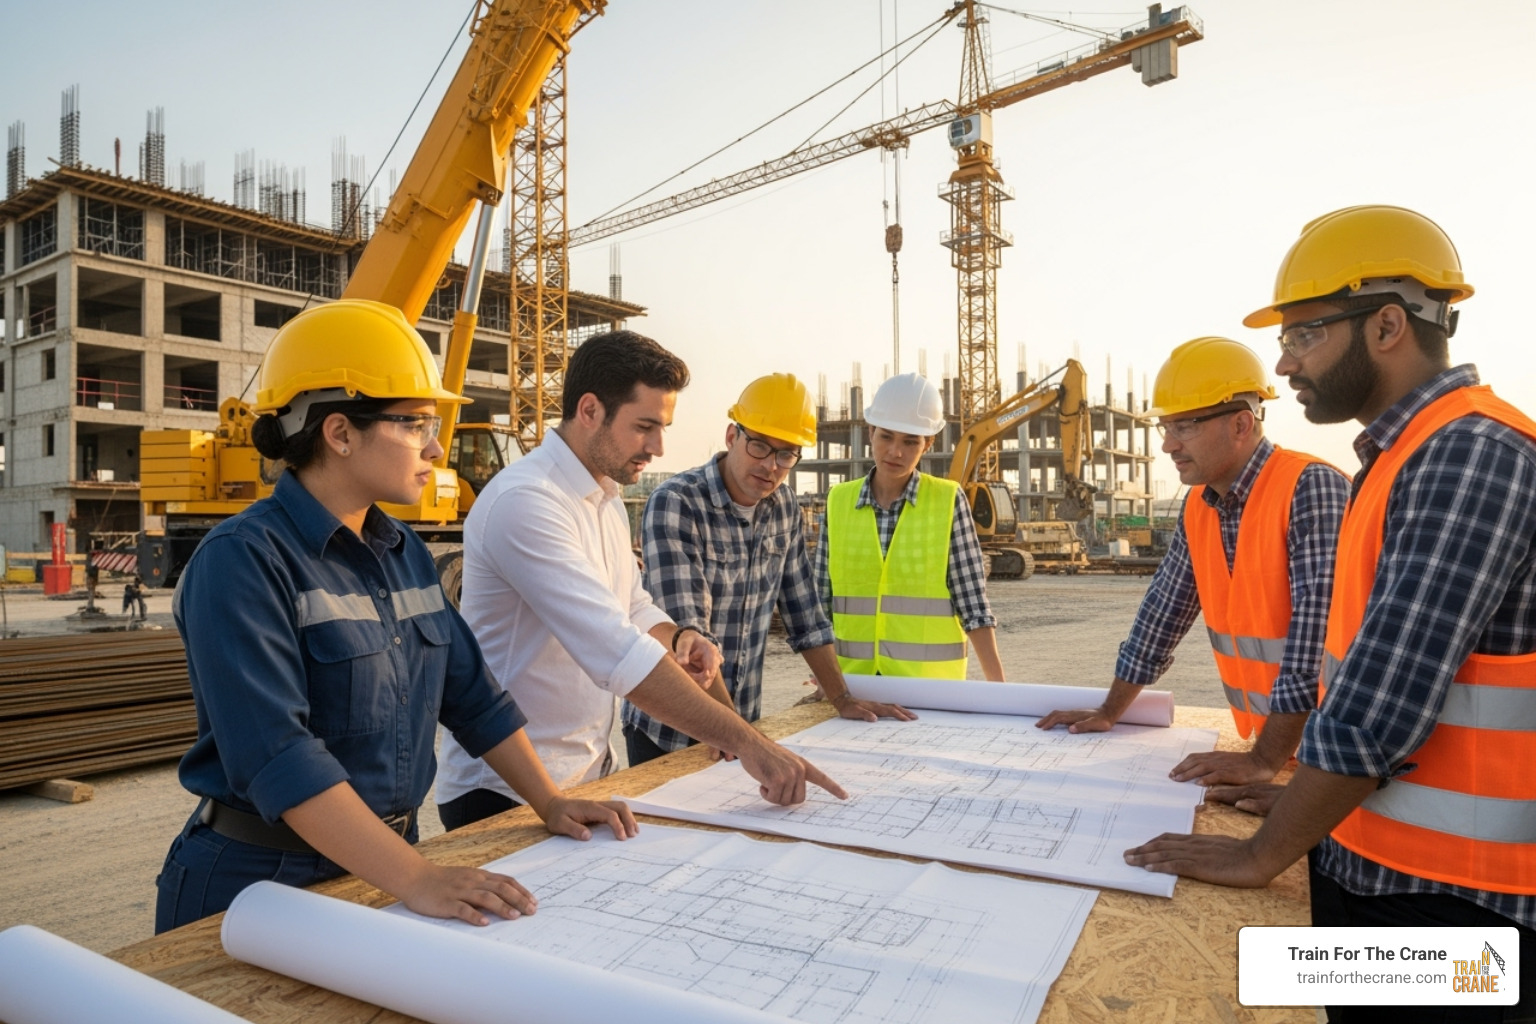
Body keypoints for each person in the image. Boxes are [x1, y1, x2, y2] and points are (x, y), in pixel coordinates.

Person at [1124, 206, 1536, 1024]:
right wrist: (1300, 801)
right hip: (1365, 860)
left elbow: (1381, 705)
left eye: (1306, 334)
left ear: (1388, 327)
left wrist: (1260, 856)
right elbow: (1351, 682)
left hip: (1459, 917)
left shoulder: (1472, 452)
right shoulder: (1398, 459)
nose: (1283, 362)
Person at [154, 299, 635, 934]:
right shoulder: (239, 564)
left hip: (380, 865)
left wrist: (548, 801)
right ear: (339, 432)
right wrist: (416, 878)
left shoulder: (402, 551)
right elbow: (278, 757)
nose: (436, 448)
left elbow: (473, 697)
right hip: (257, 883)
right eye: (414, 424)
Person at [436, 331, 845, 830]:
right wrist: (747, 742)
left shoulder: (603, 497)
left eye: (662, 427)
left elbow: (632, 609)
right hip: (501, 791)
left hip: (584, 776)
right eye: (645, 427)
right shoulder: (527, 502)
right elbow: (615, 652)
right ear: (589, 410)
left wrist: (680, 636)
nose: (657, 446)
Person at [1037, 338, 1348, 788]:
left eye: (1184, 427)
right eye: (1166, 427)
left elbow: (1312, 644)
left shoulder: (1311, 489)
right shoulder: (1200, 503)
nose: (1167, 445)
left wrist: (1263, 760)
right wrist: (1110, 710)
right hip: (1283, 751)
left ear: (1242, 424)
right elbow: (1162, 616)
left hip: (1333, 758)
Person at [622, 374, 915, 768]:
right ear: (731, 436)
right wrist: (743, 740)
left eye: (785, 454)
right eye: (759, 446)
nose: (770, 465)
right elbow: (692, 646)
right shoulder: (676, 503)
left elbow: (806, 617)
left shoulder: (784, 507)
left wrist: (841, 697)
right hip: (668, 731)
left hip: (743, 722)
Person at [815, 371, 1004, 681]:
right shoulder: (838, 501)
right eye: (886, 436)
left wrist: (1000, 690)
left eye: (910, 441)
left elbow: (974, 605)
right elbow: (820, 606)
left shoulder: (948, 501)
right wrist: (824, 679)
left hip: (931, 691)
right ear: (871, 432)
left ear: (927, 444)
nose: (896, 451)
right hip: (854, 687)